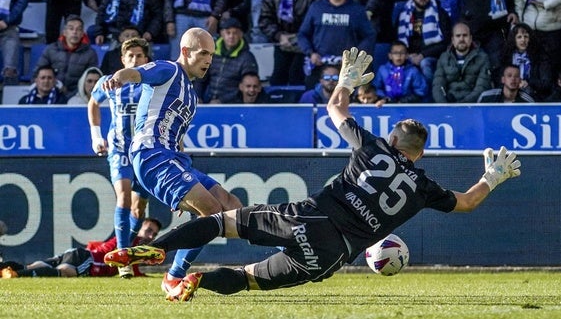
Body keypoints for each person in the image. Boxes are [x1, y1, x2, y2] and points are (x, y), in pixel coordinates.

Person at [103, 47, 521, 302]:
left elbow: (337, 109)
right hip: (330, 256)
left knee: (220, 221)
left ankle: (155, 250)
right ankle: (196, 280)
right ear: (421, 152)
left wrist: (346, 82)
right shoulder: (423, 187)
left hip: (308, 217)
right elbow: (466, 202)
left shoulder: (373, 147)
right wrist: (492, 178)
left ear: (393, 139)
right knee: (249, 280)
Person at [100, 27, 242, 300]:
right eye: (203, 53)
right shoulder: (169, 70)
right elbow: (136, 73)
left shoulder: (190, 92)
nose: (209, 60)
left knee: (230, 204)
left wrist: (183, 185)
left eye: (211, 54)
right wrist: (118, 78)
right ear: (186, 52)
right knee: (212, 212)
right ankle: (174, 276)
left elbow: (176, 138)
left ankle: (276, 244)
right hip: (152, 154)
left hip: (175, 159)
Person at [88, 37, 151, 278]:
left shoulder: (152, 83)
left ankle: (126, 250)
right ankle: (123, 257)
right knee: (124, 198)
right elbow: (93, 103)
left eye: (139, 56)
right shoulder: (109, 82)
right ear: (123, 60)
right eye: (130, 56)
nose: (135, 60)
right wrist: (96, 136)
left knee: (139, 207)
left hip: (145, 151)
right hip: (119, 148)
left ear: (146, 60)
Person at [0, 218, 161, 278]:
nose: (150, 236)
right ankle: (15, 275)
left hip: (79, 253)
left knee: (38, 265)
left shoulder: (127, 240)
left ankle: (6, 269)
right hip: (88, 260)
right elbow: (133, 268)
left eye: (154, 234)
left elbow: (134, 269)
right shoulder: (133, 241)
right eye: (148, 230)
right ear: (139, 229)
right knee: (64, 272)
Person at [298, 0, 375, 89]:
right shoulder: (316, 8)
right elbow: (303, 34)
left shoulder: (357, 11)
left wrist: (354, 57)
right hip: (320, 66)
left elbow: (369, 36)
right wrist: (311, 53)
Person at [258, 0, 321, 86]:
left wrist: (300, 36)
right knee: (277, 78)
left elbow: (316, 18)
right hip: (282, 43)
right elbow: (265, 19)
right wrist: (279, 35)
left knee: (296, 77)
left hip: (304, 44)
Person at [396, 0, 451, 89]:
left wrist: (423, 55)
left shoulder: (439, 13)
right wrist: (406, 54)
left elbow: (446, 43)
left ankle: (430, 97)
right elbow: (396, 41)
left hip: (432, 56)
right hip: (409, 55)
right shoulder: (403, 15)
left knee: (425, 64)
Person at [194, 17, 258, 103]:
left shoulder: (247, 58)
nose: (231, 36)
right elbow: (200, 79)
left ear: (240, 35)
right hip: (209, 101)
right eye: (228, 33)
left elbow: (249, 88)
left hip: (234, 104)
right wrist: (197, 97)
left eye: (235, 33)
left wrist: (222, 101)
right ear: (222, 34)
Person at [35, 14, 98, 96]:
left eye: (78, 29)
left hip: (78, 94)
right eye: (71, 29)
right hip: (51, 91)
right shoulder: (51, 49)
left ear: (82, 33)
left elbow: (92, 79)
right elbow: (38, 73)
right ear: (64, 32)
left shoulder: (90, 53)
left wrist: (73, 93)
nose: (74, 32)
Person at [432, 22, 493, 103]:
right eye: (458, 36)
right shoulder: (444, 58)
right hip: (448, 106)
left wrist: (461, 106)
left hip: (472, 107)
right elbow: (437, 86)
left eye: (465, 35)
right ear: (453, 40)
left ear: (471, 39)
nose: (461, 39)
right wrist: (445, 106)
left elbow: (481, 88)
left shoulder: (483, 58)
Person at [500, 22, 553, 101]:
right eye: (519, 37)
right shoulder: (506, 56)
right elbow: (500, 79)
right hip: (509, 92)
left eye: (526, 37)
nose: (523, 40)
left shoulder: (540, 57)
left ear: (530, 39)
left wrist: (528, 82)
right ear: (514, 39)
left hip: (533, 94)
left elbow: (546, 83)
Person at [373, 40, 428, 106]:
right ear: (390, 55)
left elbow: (421, 91)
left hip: (407, 105)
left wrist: (404, 101)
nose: (399, 56)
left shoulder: (413, 70)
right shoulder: (383, 69)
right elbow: (376, 88)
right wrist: (386, 99)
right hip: (386, 104)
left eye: (402, 53)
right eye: (395, 53)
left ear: (407, 55)